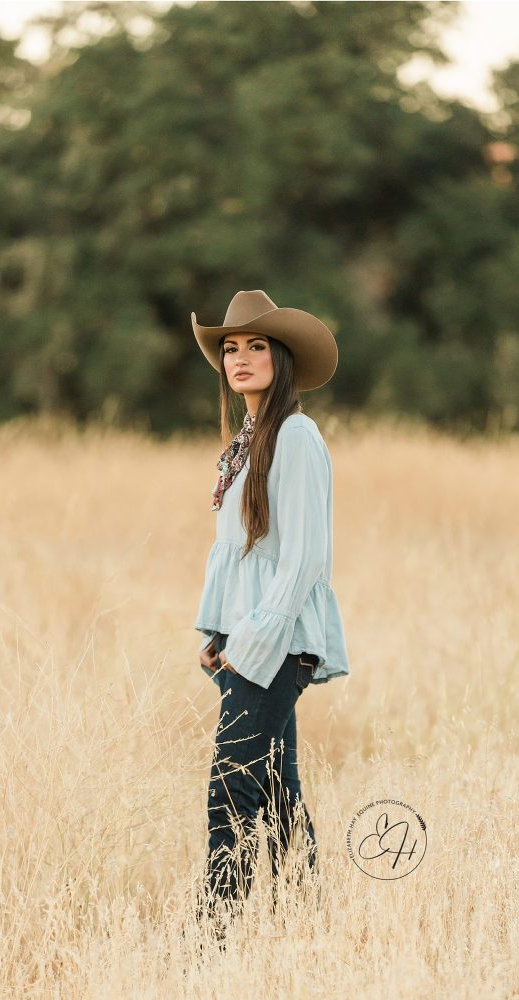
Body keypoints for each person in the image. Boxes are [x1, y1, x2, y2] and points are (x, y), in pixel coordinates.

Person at [191, 289, 350, 938]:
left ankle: (213, 937)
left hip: (278, 642)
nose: (241, 357)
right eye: (231, 347)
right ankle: (312, 930)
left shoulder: (296, 435)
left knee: (230, 784)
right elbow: (239, 552)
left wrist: (252, 637)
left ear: (282, 359)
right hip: (249, 639)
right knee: (278, 792)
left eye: (257, 345)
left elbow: (305, 556)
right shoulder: (247, 440)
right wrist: (217, 628)